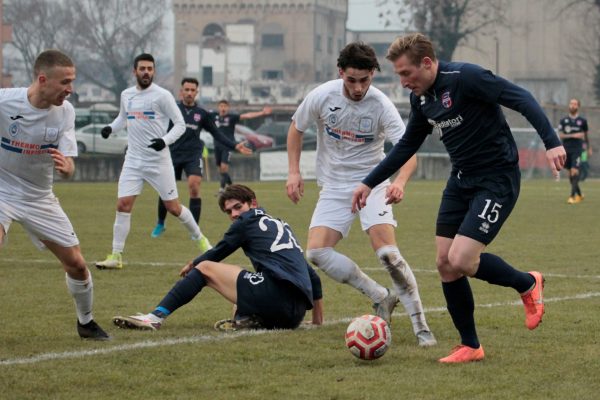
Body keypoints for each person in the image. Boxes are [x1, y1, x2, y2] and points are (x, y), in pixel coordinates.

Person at [352, 33, 566, 363]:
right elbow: (408, 145)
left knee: (463, 259)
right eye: (399, 75)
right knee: (444, 263)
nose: (404, 81)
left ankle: (527, 283)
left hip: (497, 179)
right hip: (461, 180)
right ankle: (471, 345)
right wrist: (369, 183)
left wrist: (552, 141)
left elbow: (521, 98)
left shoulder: (466, 77)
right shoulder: (421, 98)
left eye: (406, 73)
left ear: (427, 63)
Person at [286, 42, 436, 347]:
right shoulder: (322, 95)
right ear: (341, 72)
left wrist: (400, 182)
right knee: (316, 252)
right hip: (334, 185)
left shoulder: (381, 106)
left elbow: (408, 152)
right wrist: (294, 171)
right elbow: (296, 128)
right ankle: (380, 296)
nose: (358, 88)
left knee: (388, 255)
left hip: (374, 182)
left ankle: (421, 327)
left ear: (373, 76)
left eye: (365, 80)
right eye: (351, 80)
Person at [95, 54, 251, 270]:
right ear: (135, 71)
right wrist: (111, 128)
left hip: (159, 160)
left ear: (154, 71)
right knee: (123, 205)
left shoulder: (162, 95)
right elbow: (123, 117)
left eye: (150, 68)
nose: (146, 72)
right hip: (133, 160)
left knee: (174, 207)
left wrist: (164, 141)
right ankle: (116, 255)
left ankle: (201, 239)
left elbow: (179, 124)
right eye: (142, 68)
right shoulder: (126, 94)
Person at [0, 49, 109, 340]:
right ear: (43, 79)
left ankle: (86, 322)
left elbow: (70, 163)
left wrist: (67, 168)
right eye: (65, 82)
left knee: (76, 264)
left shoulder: (65, 112)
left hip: (38, 197)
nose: (70, 90)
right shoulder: (4, 101)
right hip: (2, 191)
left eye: (72, 82)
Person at [112, 184, 323, 331]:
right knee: (243, 284)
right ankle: (247, 319)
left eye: (238, 207)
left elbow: (219, 251)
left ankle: (155, 317)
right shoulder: (279, 224)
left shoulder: (246, 222)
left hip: (276, 298)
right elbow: (312, 276)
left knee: (205, 268)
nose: (234, 215)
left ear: (253, 203)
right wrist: (316, 321)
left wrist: (194, 263)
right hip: (294, 315)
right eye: (228, 212)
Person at [150, 78, 249, 238]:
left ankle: (194, 229)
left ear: (196, 92)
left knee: (194, 186)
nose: (189, 93)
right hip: (172, 154)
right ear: (181, 91)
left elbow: (217, 134)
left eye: (192, 90)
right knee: (165, 191)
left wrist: (234, 146)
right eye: (186, 89)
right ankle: (161, 223)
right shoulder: (171, 109)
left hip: (193, 155)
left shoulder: (202, 114)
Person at [212, 100, 272, 193]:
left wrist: (262, 113)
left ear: (228, 108)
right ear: (218, 107)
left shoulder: (231, 117)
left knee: (224, 168)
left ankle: (222, 188)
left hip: (228, 146)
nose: (223, 108)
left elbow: (247, 115)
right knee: (221, 170)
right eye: (221, 106)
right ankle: (231, 187)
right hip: (217, 146)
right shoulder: (213, 116)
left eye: (225, 106)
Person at [557, 98, 591, 203]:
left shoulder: (583, 121)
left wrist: (588, 148)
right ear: (569, 106)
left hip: (577, 149)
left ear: (578, 106)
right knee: (570, 174)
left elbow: (586, 136)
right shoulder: (563, 121)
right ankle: (580, 195)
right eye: (571, 103)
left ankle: (572, 197)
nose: (573, 105)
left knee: (574, 171)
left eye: (575, 104)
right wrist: (574, 135)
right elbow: (561, 135)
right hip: (566, 149)